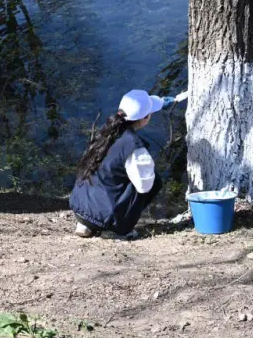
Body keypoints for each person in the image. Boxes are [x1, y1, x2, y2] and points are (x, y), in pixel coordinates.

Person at [69, 89, 183, 240]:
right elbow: (144, 186)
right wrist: (148, 164)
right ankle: (116, 229)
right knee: (153, 182)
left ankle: (85, 225)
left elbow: (144, 107)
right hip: (106, 216)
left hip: (79, 207)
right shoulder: (134, 146)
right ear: (144, 119)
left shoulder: (106, 132)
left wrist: (163, 102)